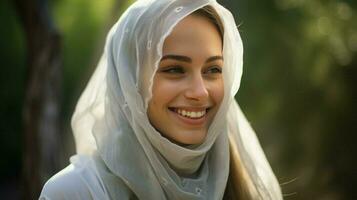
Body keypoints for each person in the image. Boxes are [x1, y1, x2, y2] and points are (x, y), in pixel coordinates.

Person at [40, 0, 283, 199]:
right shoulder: (75, 192)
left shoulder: (249, 187)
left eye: (212, 70)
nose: (200, 92)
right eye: (174, 69)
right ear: (129, 82)